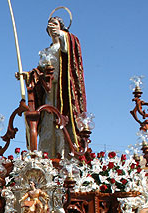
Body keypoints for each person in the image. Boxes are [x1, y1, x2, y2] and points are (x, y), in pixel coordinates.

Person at [29, 15, 86, 157]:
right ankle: (47, 156)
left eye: (55, 24)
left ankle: (65, 154)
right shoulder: (46, 51)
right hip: (48, 90)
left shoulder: (65, 42)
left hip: (63, 89)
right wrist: (28, 74)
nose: (51, 26)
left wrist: (62, 34)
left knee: (63, 119)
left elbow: (71, 47)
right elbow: (39, 71)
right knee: (48, 119)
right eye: (50, 24)